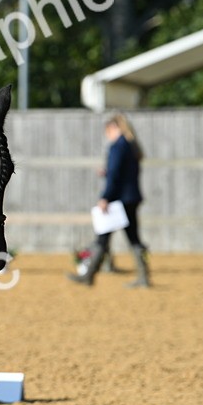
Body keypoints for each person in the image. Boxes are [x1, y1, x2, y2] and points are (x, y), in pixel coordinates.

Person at [68, 113, 150, 288]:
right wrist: (108, 173)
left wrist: (105, 197)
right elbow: (123, 173)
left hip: (119, 200)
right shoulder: (130, 146)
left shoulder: (117, 147)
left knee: (103, 238)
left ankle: (88, 276)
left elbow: (115, 176)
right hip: (130, 198)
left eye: (108, 131)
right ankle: (143, 277)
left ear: (114, 128)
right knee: (133, 239)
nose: (107, 134)